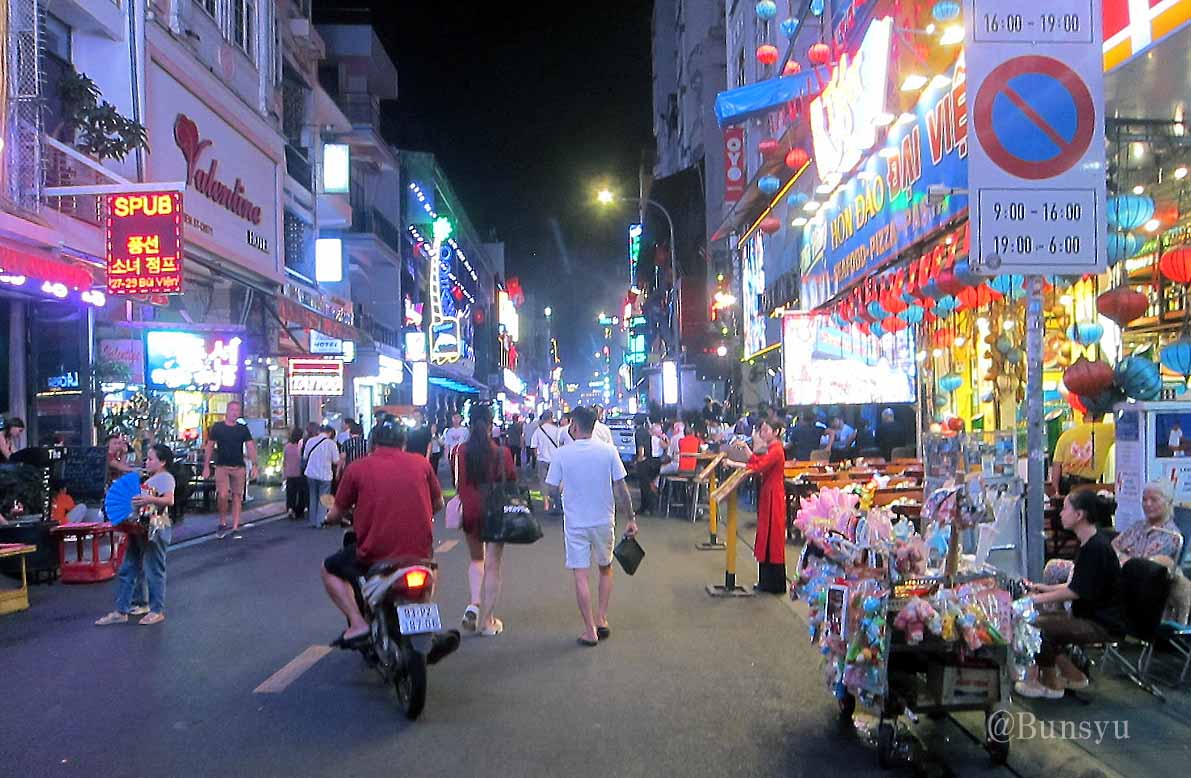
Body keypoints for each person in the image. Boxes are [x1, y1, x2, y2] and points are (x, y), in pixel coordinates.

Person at [321, 417, 459, 663]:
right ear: (404, 442)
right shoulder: (421, 464)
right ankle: (425, 627)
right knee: (430, 570)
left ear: (373, 442)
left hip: (375, 553)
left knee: (328, 569)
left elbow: (337, 512)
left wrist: (328, 518)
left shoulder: (357, 468)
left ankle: (357, 623)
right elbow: (438, 503)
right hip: (420, 553)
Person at [1016, 490, 1124, 698]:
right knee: (1039, 619)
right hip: (1090, 615)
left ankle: (1051, 684)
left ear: (1079, 515)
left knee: (1035, 626)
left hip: (1101, 622)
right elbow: (1078, 584)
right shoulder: (1090, 543)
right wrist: (1043, 588)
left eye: (1065, 509)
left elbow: (1075, 591)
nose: (1060, 513)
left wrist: (1033, 600)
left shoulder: (1096, 548)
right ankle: (1073, 676)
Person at [545, 406, 638, 646]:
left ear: (575, 425)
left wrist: (563, 492)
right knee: (605, 568)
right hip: (603, 520)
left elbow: (551, 490)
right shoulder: (608, 451)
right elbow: (621, 488)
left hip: (575, 523)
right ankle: (602, 619)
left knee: (581, 575)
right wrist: (631, 518)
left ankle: (589, 630)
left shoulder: (562, 455)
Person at [453, 405, 517, 636]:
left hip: (470, 510)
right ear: (491, 425)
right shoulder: (502, 453)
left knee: (476, 560)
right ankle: (488, 622)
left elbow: (458, 482)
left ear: (470, 424)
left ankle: (474, 603)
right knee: (493, 565)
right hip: (495, 512)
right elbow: (511, 479)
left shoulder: (460, 451)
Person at [95, 444, 176, 626]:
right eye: (147, 458)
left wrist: (149, 499)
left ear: (162, 462)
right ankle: (124, 608)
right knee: (129, 567)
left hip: (155, 528)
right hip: (138, 527)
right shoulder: (148, 477)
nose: (147, 462)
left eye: (151, 459)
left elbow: (169, 500)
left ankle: (156, 610)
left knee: (153, 569)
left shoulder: (166, 478)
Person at [734, 421, 788, 593]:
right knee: (766, 536)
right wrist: (746, 449)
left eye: (766, 430)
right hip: (769, 495)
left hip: (773, 497)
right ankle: (767, 581)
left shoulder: (776, 450)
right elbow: (759, 461)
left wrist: (735, 464)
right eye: (761, 430)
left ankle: (773, 583)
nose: (762, 433)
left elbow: (759, 466)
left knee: (772, 538)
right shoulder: (772, 449)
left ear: (776, 431)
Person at [201, 401, 257, 540]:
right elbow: (209, 446)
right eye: (232, 410)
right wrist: (206, 466)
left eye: (237, 410)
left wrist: (255, 465)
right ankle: (222, 521)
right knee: (223, 495)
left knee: (237, 496)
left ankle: (235, 526)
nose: (234, 413)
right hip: (222, 466)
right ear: (227, 411)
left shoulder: (242, 429)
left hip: (238, 466)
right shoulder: (218, 427)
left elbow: (250, 446)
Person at [1113, 480, 1183, 562]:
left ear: (1169, 502)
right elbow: (1113, 547)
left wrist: (1119, 556)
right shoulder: (1137, 526)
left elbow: (1144, 564)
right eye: (1144, 500)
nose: (1148, 504)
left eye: (1154, 500)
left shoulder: (1171, 535)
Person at [1050, 412, 1115, 495]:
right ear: (1102, 417)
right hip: (1088, 486)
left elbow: (1057, 465)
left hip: (1065, 483)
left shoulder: (1066, 435)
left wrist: (1056, 491)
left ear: (1083, 418)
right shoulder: (1108, 430)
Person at [303, 425, 340, 528]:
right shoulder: (331, 444)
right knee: (323, 498)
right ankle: (320, 521)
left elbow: (305, 456)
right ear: (330, 433)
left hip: (311, 473)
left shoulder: (310, 441)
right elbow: (336, 461)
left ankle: (312, 521)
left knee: (313, 496)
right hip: (325, 474)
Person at [532, 411, 565, 512]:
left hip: (542, 460)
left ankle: (546, 502)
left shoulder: (538, 430)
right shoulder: (557, 430)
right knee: (556, 481)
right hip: (555, 460)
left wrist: (537, 456)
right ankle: (556, 501)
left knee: (543, 482)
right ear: (551, 418)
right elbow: (561, 444)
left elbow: (534, 446)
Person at [634, 414, 659, 515]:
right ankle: (649, 507)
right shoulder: (646, 431)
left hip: (644, 461)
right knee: (647, 484)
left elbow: (641, 445)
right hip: (650, 459)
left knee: (644, 485)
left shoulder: (639, 432)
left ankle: (646, 507)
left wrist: (640, 457)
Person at [282, 427, 306, 521]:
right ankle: (299, 511)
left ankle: (290, 509)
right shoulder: (301, 446)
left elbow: (284, 460)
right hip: (299, 473)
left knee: (290, 493)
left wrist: (284, 473)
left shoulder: (287, 446)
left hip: (289, 473)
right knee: (301, 494)